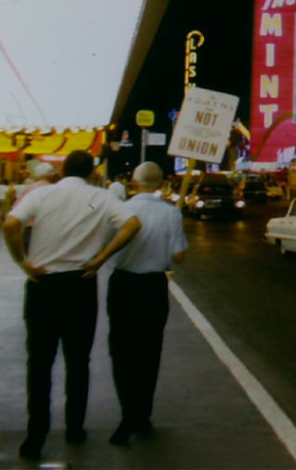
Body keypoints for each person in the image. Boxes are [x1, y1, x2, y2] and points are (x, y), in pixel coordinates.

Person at [4, 149, 141, 461]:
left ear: (62, 169)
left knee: (39, 362)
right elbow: (132, 224)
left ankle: (35, 435)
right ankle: (74, 427)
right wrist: (103, 256)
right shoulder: (97, 198)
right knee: (78, 360)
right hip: (81, 283)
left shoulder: (42, 195)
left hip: (43, 285)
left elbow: (12, 224)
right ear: (92, 171)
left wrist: (22, 262)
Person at [106, 161, 188, 446]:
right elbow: (179, 256)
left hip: (123, 283)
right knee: (149, 349)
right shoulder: (171, 213)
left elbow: (107, 243)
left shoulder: (121, 209)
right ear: (162, 183)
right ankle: (141, 412)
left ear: (134, 181)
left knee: (121, 348)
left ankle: (128, 409)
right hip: (153, 285)